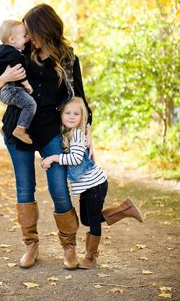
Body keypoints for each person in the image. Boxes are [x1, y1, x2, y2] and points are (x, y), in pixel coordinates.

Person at [0, 4, 142, 271]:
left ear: (44, 30)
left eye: (31, 31)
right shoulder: (19, 49)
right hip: (19, 129)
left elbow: (80, 97)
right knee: (24, 188)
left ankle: (69, 247)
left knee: (60, 189)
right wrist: (4, 78)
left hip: (52, 129)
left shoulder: (68, 57)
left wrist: (87, 132)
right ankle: (31, 245)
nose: (28, 35)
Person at [41, 97, 144, 269]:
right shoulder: (67, 132)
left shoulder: (78, 135)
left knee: (93, 221)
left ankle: (90, 256)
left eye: (76, 113)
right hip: (88, 187)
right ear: (61, 114)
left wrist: (53, 157)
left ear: (82, 117)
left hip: (95, 184)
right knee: (86, 220)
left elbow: (74, 158)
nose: (72, 116)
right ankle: (124, 209)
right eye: (68, 113)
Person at [0, 20, 37, 144]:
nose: (27, 38)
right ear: (12, 40)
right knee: (30, 105)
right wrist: (27, 84)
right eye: (24, 36)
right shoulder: (12, 54)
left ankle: (5, 128)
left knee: (21, 105)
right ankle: (20, 129)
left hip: (6, 91)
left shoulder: (3, 52)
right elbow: (18, 70)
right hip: (11, 89)